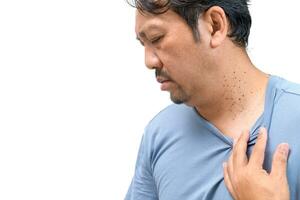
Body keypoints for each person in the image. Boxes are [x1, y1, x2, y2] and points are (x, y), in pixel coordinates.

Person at [125, 0, 300, 199]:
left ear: (215, 26)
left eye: (157, 38)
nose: (149, 61)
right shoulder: (159, 135)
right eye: (143, 44)